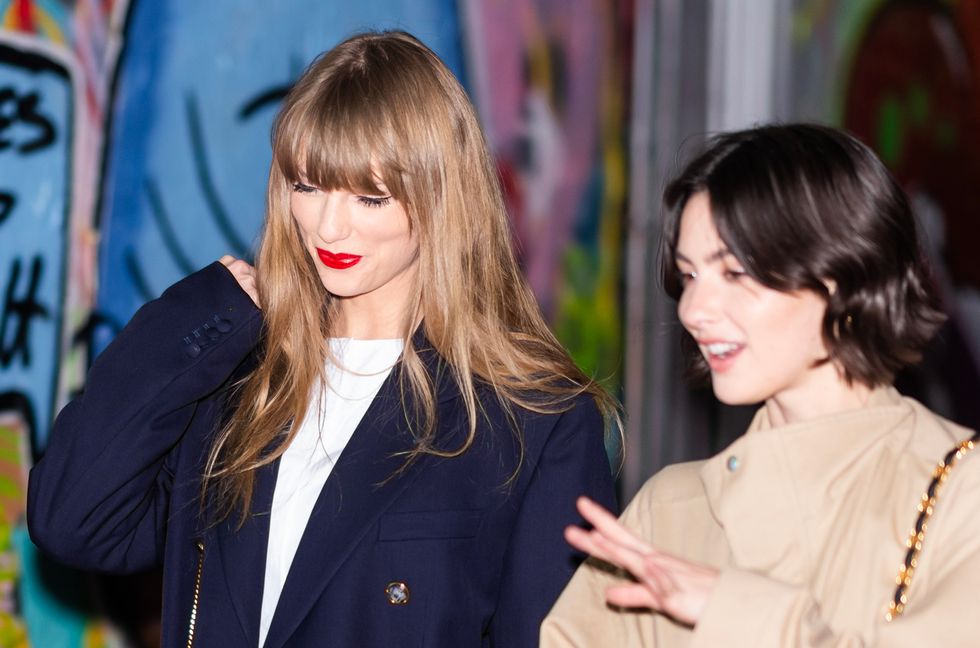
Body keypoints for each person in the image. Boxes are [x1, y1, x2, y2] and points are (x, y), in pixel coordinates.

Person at [27, 31, 618, 647]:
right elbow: (72, 521)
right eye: (307, 186)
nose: (329, 226)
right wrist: (189, 321)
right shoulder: (236, 382)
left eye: (370, 196)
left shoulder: (530, 421)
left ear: (443, 200)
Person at [541, 123, 979, 646]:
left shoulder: (961, 495)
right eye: (690, 276)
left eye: (735, 274)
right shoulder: (671, 508)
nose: (693, 310)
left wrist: (733, 611)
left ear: (843, 274)